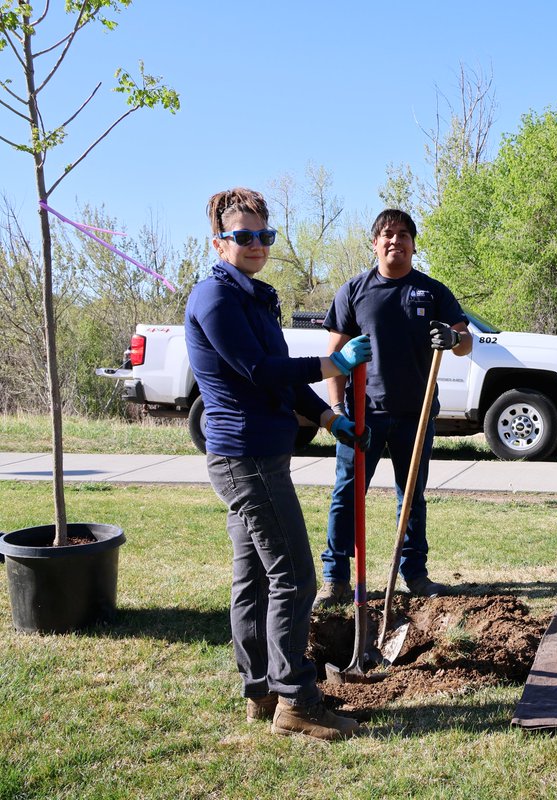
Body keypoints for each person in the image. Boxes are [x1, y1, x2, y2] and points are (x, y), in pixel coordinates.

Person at [185, 188, 373, 740]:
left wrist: (329, 418)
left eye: (263, 236)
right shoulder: (216, 299)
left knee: (255, 580)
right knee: (294, 576)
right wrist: (331, 362)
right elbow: (258, 370)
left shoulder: (252, 297)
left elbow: (284, 381)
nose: (255, 245)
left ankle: (261, 691)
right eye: (242, 236)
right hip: (247, 459)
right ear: (218, 241)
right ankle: (297, 702)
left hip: (259, 452)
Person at [314, 209, 472, 608]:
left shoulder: (432, 291)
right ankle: (334, 579)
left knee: (412, 496)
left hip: (416, 417)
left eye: (403, 234)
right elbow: (333, 356)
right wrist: (337, 411)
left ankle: (415, 574)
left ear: (414, 244)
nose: (395, 241)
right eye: (387, 234)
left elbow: (466, 340)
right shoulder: (353, 291)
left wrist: (451, 337)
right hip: (362, 415)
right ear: (375, 243)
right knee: (347, 495)